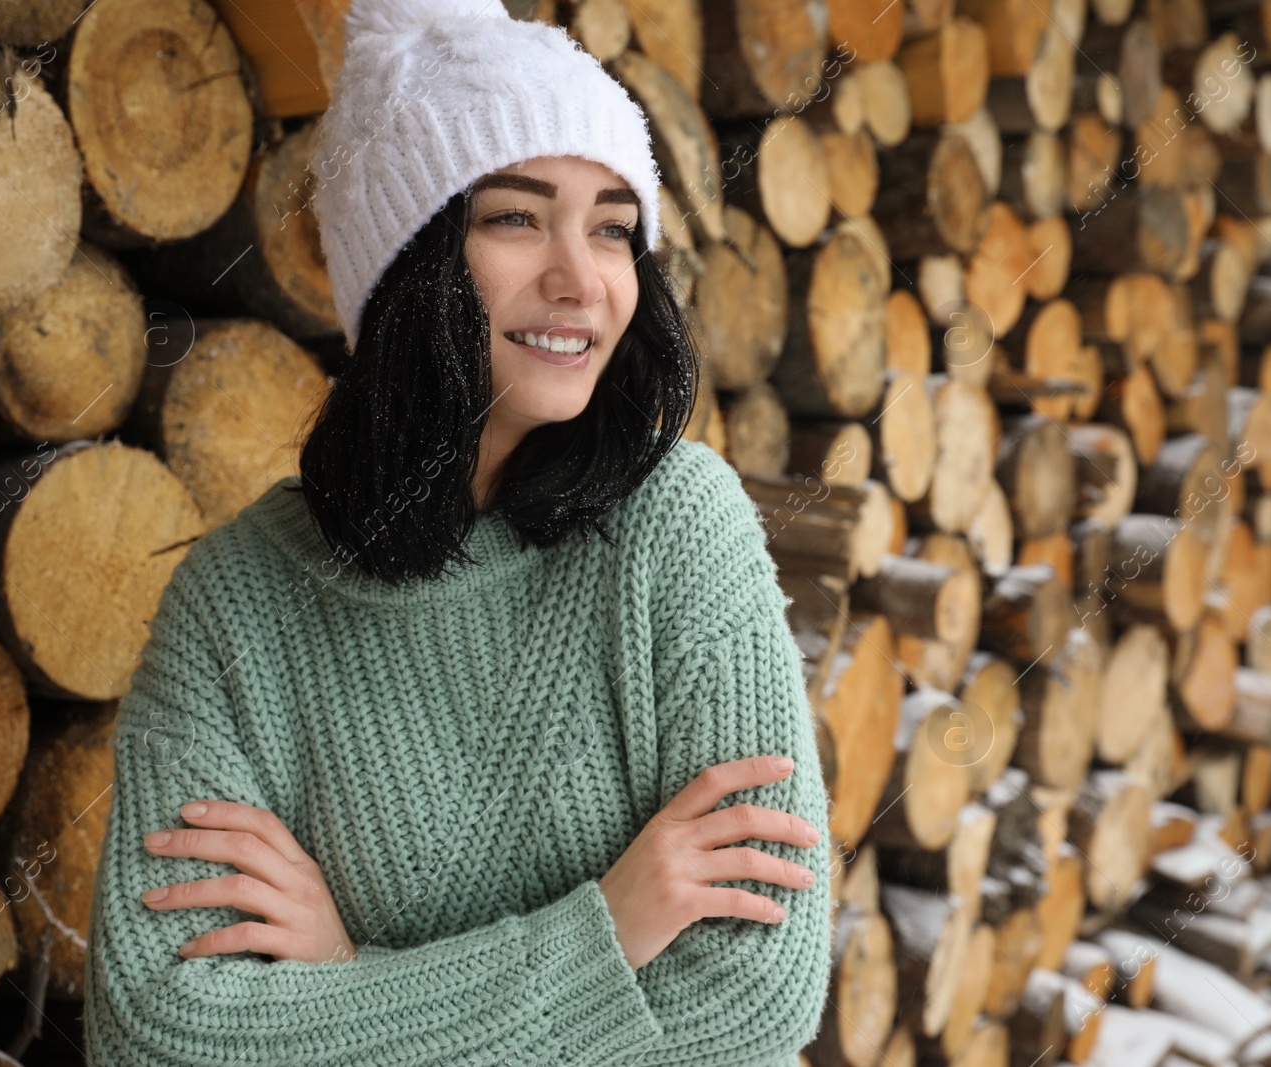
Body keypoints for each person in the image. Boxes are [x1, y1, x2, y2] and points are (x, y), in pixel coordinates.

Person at [81, 0, 834, 1063]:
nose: (581, 278)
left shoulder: (679, 529)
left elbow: (753, 999)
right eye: (516, 218)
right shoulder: (236, 603)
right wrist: (605, 936)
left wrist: (350, 982)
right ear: (408, 262)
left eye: (614, 226)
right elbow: (159, 1036)